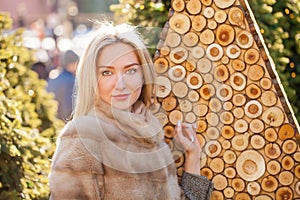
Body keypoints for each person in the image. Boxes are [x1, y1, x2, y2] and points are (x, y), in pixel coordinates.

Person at [49, 22, 213, 199]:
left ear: (143, 75)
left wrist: (193, 157)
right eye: (107, 72)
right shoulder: (82, 137)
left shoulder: (150, 133)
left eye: (131, 71)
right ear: (92, 78)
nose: (120, 85)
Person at [47, 49, 78, 121]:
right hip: (61, 122)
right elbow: (68, 106)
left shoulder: (54, 76)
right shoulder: (70, 80)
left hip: (50, 119)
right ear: (72, 64)